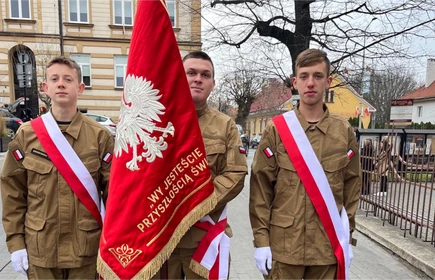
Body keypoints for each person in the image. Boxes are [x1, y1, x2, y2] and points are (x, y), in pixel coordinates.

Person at [249, 49, 361, 279]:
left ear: (328, 82)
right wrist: (261, 241)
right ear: (295, 82)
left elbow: (351, 187)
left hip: (327, 248)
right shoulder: (277, 129)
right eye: (304, 76)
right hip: (284, 247)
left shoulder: (343, 132)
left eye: (318, 76)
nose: (310, 83)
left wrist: (346, 236)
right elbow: (261, 189)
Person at [1, 56, 114, 279]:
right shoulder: (27, 135)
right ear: (46, 87)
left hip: (86, 251)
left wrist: (114, 243)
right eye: (55, 78)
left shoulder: (99, 136)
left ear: (80, 88)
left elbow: (114, 194)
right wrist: (15, 243)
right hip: (41, 249)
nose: (61, 83)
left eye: (68, 79)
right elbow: (13, 193)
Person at [151, 51, 248, 279]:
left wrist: (195, 202)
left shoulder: (225, 125)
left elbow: (236, 172)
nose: (198, 79)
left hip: (203, 236)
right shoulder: (155, 120)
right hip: (160, 239)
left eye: (205, 75)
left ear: (213, 84)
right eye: (191, 73)